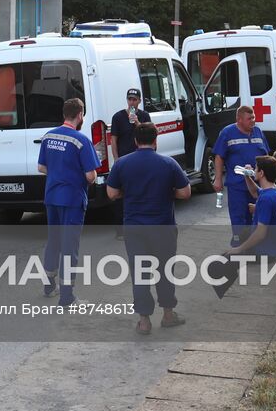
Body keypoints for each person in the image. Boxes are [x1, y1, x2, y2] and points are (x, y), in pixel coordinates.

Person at [106, 121, 191, 334]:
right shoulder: (168, 163)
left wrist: (131, 193)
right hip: (163, 227)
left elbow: (111, 193)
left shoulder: (122, 164)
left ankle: (144, 320)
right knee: (165, 270)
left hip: (134, 228)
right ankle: (168, 315)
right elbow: (185, 193)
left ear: (135, 140)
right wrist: (165, 192)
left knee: (140, 273)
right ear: (156, 140)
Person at [37, 97, 99, 307]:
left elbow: (42, 168)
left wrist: (59, 173)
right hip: (72, 199)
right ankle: (67, 296)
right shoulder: (81, 141)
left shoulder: (48, 136)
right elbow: (91, 176)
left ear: (64, 113)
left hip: (52, 196)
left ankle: (48, 285)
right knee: (69, 246)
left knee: (53, 241)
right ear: (80, 115)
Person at [212, 106, 269, 246]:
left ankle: (254, 245)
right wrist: (218, 178)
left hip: (257, 185)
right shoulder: (227, 133)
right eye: (249, 118)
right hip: (237, 185)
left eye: (254, 118)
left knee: (257, 215)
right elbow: (219, 157)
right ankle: (239, 245)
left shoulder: (258, 131)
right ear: (239, 119)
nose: (253, 121)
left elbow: (266, 155)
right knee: (239, 217)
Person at [108, 88, 151, 229]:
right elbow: (113, 140)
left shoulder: (144, 116)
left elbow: (149, 135)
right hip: (124, 159)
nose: (132, 102)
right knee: (121, 194)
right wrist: (116, 159)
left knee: (140, 190)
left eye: (134, 99)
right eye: (129, 99)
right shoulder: (118, 117)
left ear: (139, 101)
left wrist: (137, 123)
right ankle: (120, 228)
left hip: (141, 159)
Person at [231, 156, 276, 260]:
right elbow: (255, 192)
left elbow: (260, 234)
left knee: (223, 260)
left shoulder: (266, 199)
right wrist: (247, 176)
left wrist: (239, 249)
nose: (253, 170)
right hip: (274, 248)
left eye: (256, 168)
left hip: (263, 252)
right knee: (241, 234)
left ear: (261, 173)